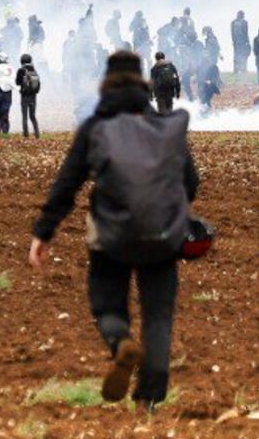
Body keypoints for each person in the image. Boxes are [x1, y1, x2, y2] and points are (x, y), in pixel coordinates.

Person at [29, 50, 200, 407]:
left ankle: (121, 341)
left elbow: (67, 184)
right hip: (162, 236)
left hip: (111, 236)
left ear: (106, 83)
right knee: (157, 316)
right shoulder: (165, 127)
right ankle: (148, 400)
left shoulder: (95, 128)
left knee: (107, 304)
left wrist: (44, 232)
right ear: (143, 83)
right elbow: (190, 181)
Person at [16, 54, 42, 138]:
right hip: (33, 96)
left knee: (24, 116)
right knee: (32, 116)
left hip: (24, 96)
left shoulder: (21, 70)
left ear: (22, 61)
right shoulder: (34, 70)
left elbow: (17, 82)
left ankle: (26, 134)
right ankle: (37, 133)